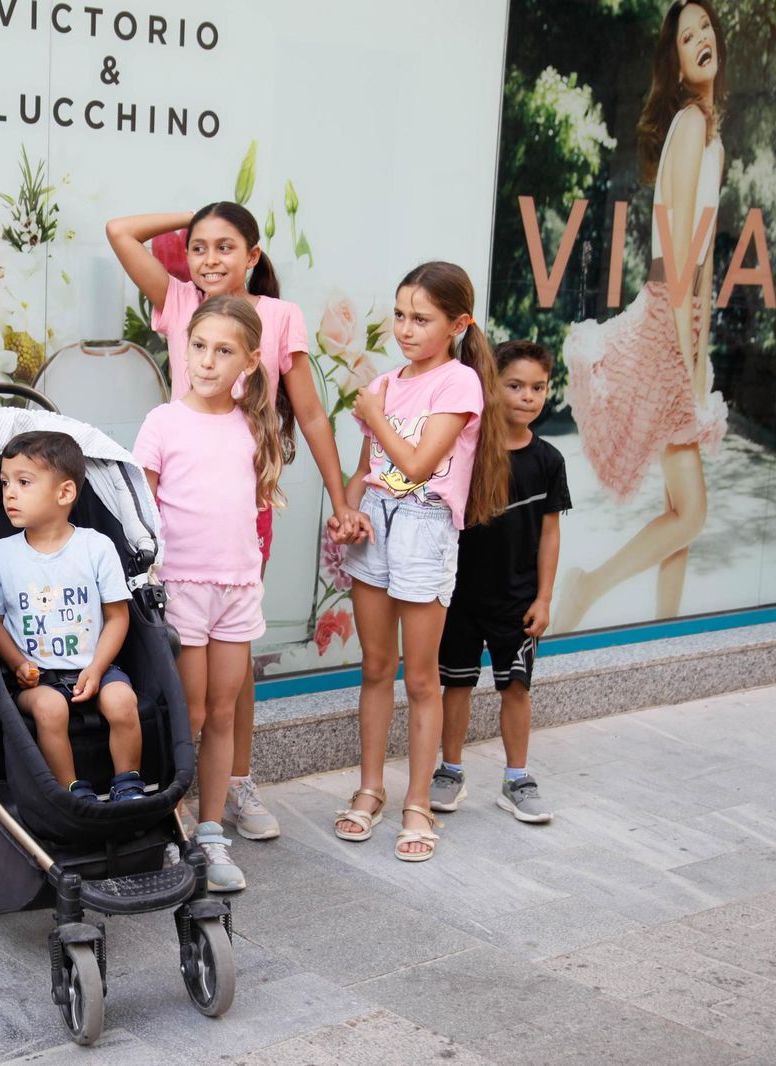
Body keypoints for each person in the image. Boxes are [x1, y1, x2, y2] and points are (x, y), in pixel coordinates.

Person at [106, 201, 369, 842]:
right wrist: (190, 209)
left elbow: (308, 415)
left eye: (225, 247)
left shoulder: (279, 318)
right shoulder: (177, 302)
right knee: (190, 677)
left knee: (234, 657)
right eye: (198, 246)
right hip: (181, 518)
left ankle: (235, 786)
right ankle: (178, 803)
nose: (208, 260)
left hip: (243, 510)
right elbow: (119, 231)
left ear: (253, 255)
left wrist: (340, 499)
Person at [553, 0, 728, 633]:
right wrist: (685, 357)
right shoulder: (687, 124)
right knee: (693, 511)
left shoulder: (713, 138)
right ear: (677, 62)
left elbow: (704, 265)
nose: (701, 38)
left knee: (680, 510)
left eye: (706, 28)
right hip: (664, 318)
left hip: (684, 321)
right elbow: (677, 257)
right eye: (687, 36)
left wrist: (702, 351)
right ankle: (587, 588)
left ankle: (664, 636)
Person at [330, 262, 509, 862]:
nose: (405, 329)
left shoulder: (458, 383)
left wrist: (374, 412)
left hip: (423, 527)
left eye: (421, 318)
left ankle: (418, 803)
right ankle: (370, 788)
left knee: (421, 677)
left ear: (458, 324)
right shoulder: (384, 383)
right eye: (400, 314)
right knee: (376, 667)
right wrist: (347, 512)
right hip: (375, 526)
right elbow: (367, 471)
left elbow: (416, 464)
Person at [133, 295, 285, 891]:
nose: (206, 361)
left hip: (238, 586)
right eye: (199, 346)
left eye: (223, 351)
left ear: (248, 360)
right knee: (189, 713)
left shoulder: (253, 422)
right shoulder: (163, 422)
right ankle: (171, 827)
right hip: (182, 588)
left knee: (223, 713)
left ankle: (213, 830)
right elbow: (139, 514)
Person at [433, 341, 572, 824]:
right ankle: (449, 770)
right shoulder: (468, 452)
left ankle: (517, 779)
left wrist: (544, 597)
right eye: (514, 385)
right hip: (459, 598)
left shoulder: (549, 460)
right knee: (456, 686)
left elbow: (550, 533)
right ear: (491, 387)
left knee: (516, 688)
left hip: (517, 601)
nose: (527, 396)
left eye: (538, 387)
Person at [0, 430, 147, 803]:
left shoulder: (96, 547)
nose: (9, 493)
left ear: (65, 493)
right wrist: (18, 664)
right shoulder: (0, 556)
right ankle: (72, 791)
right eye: (5, 482)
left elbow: (118, 616)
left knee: (123, 702)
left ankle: (129, 784)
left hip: (97, 666)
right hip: (37, 677)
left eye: (24, 483)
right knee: (50, 708)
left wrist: (99, 668)